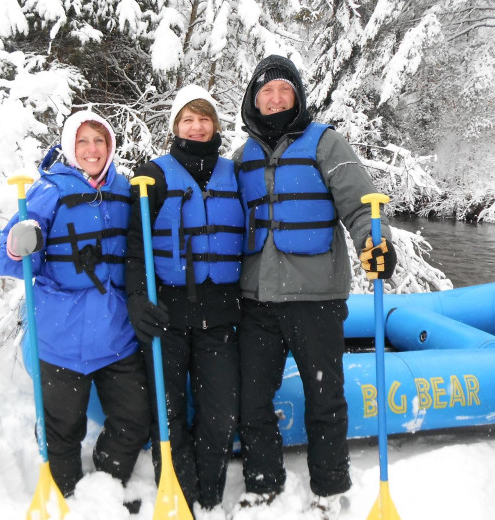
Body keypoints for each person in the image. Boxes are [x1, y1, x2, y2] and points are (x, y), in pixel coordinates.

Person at [232, 55, 398, 519]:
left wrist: (374, 242)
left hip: (316, 300)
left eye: (285, 89)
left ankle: (328, 489)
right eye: (267, 91)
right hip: (256, 301)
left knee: (325, 397)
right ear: (254, 99)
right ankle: (263, 484)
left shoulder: (326, 143)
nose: (276, 98)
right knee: (253, 399)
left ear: (298, 96)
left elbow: (362, 206)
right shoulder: (241, 157)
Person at [0, 110, 151, 510]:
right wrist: (17, 245)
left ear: (111, 146)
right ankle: (67, 496)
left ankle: (107, 484)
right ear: (69, 147)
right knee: (63, 429)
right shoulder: (48, 191)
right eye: (83, 141)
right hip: (59, 336)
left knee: (134, 419)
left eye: (99, 141)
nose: (92, 149)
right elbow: (7, 261)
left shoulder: (126, 190)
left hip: (116, 335)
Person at [125, 84, 244, 517]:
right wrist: (138, 298)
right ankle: (181, 496)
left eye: (204, 118)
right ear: (176, 126)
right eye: (187, 119)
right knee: (169, 413)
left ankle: (209, 497)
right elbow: (136, 248)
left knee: (219, 414)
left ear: (215, 125)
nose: (196, 127)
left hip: (220, 315)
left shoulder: (237, 174)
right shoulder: (153, 175)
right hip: (167, 316)